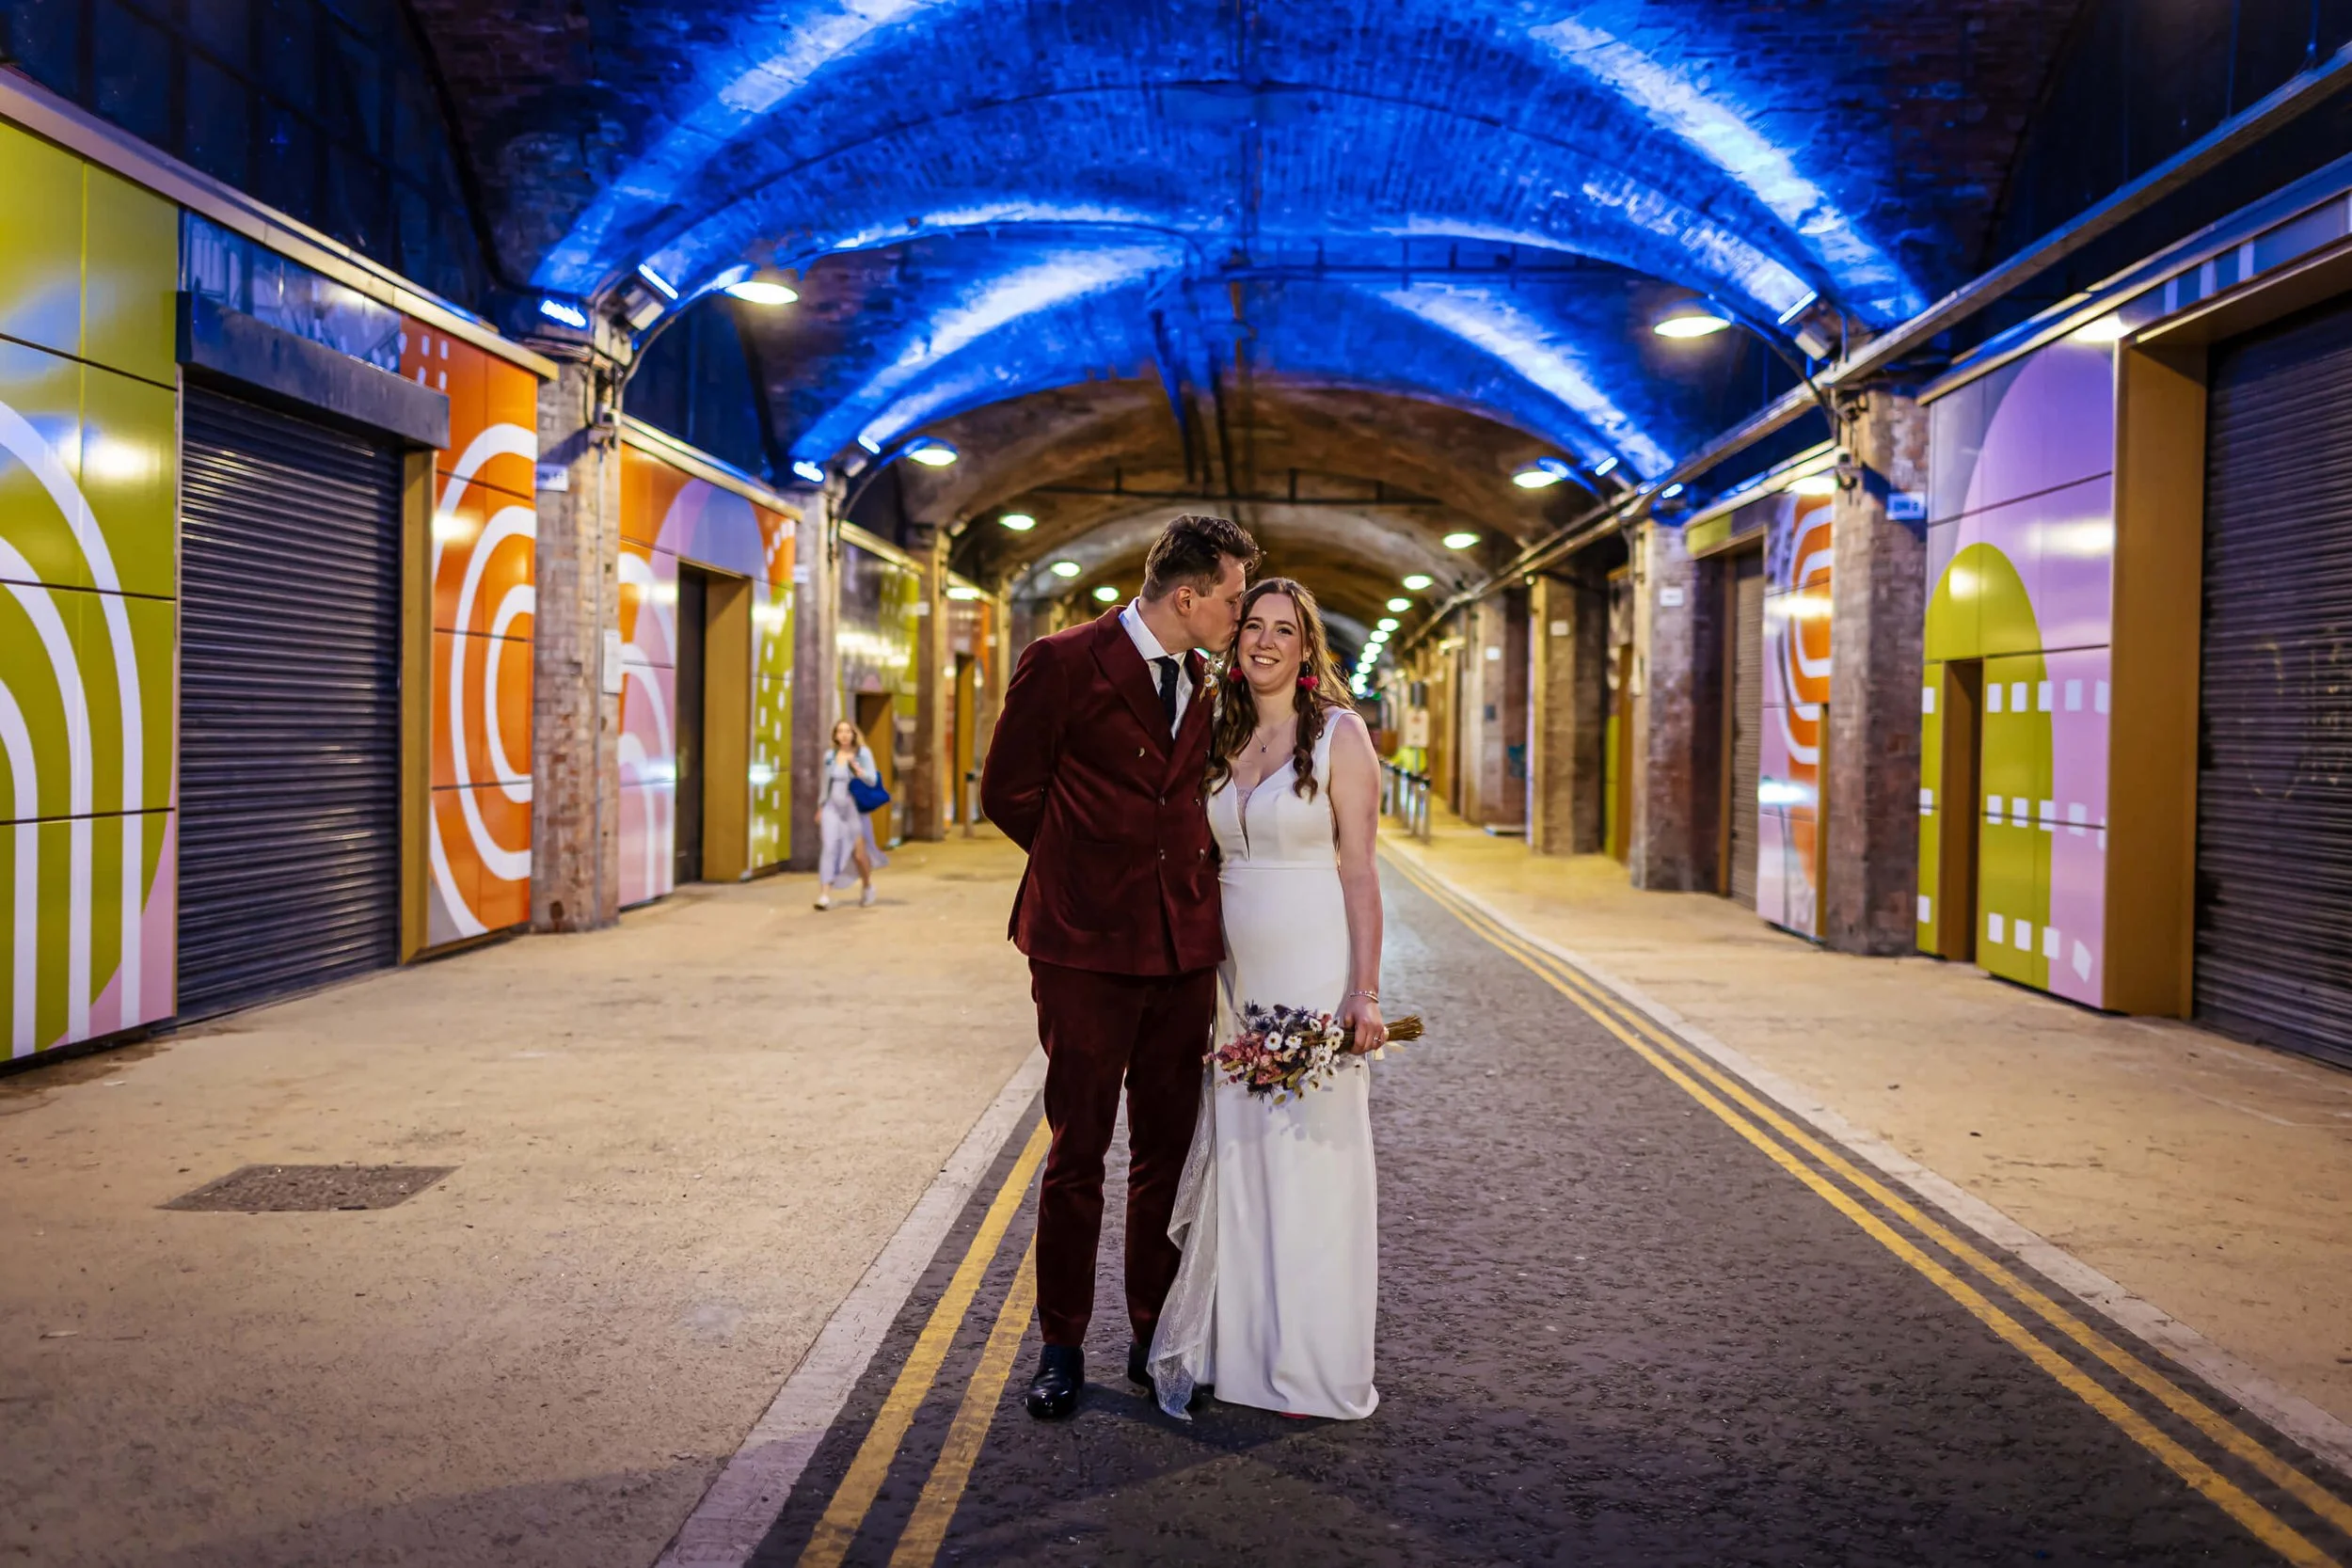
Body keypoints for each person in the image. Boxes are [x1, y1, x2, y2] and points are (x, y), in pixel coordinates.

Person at [980, 512, 1261, 1421]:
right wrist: (1085, 871)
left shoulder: (1206, 680)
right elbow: (1008, 790)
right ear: (1186, 596)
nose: (1238, 613)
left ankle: (1151, 1331)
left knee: (1165, 1155)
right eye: (1230, 597)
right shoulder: (1063, 660)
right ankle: (1060, 1342)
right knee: (1077, 1153)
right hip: (1084, 948)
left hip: (1180, 951)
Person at [1147, 577, 1385, 1421]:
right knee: (1241, 1162)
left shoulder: (1341, 739)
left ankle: (1312, 1361)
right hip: (1229, 980)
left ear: (1308, 647)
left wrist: (1363, 993)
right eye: (1253, 625)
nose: (1266, 641)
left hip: (1313, 973)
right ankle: (1240, 1354)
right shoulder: (1219, 730)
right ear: (1234, 639)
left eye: (1285, 630)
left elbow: (1359, 873)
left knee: (1311, 1162)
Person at [814, 719, 887, 911]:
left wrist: (858, 770)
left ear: (854, 734)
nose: (844, 735)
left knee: (858, 853)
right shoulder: (830, 756)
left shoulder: (863, 754)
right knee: (829, 848)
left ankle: (867, 886)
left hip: (853, 809)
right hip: (832, 808)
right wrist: (821, 806)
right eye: (840, 731)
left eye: (848, 731)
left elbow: (872, 780)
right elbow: (825, 783)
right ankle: (824, 895)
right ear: (835, 736)